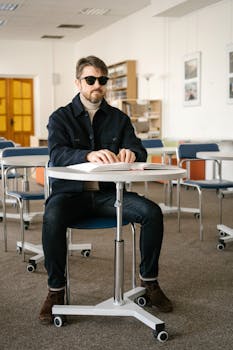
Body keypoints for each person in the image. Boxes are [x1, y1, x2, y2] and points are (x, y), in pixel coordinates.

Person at [39, 55, 173, 324]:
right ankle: (56, 290)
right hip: (69, 195)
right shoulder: (60, 118)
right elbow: (57, 154)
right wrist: (87, 155)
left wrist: (131, 153)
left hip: (110, 195)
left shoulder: (119, 119)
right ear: (78, 82)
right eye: (90, 80)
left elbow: (139, 149)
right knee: (51, 216)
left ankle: (150, 281)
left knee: (152, 212)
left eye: (102, 80)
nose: (97, 85)